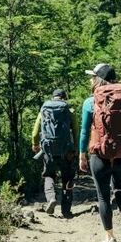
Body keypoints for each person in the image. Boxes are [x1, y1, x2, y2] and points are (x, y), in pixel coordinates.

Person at [79, 63, 121, 242]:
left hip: (100, 155)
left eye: (92, 76)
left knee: (103, 197)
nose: (90, 79)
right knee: (120, 187)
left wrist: (82, 154)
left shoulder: (90, 102)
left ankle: (110, 239)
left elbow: (83, 131)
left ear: (98, 79)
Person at [32, 88, 79, 218]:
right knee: (67, 178)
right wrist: (76, 149)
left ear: (53, 98)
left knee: (49, 175)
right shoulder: (69, 111)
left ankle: (51, 198)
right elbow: (76, 132)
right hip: (66, 151)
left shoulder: (44, 110)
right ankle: (66, 210)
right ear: (64, 98)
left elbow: (35, 132)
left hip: (48, 150)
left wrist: (35, 144)